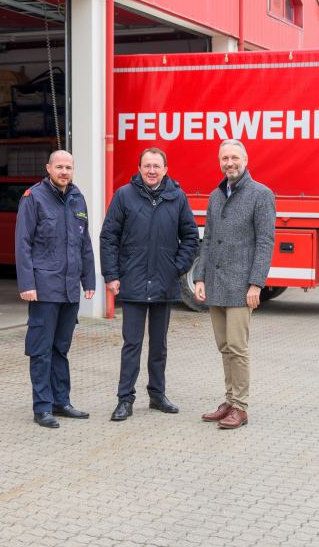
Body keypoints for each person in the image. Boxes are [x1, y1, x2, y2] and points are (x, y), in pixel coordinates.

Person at [100, 147, 199, 421]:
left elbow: (190, 236)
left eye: (157, 166)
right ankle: (125, 399)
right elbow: (109, 237)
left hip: (164, 284)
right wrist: (111, 275)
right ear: (140, 168)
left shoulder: (177, 197)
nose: (152, 170)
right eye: (147, 166)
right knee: (131, 344)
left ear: (166, 170)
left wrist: (177, 268)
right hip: (132, 282)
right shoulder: (123, 196)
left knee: (159, 346)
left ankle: (157, 395)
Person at [193, 139, 275, 430]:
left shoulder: (260, 195)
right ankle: (229, 400)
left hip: (242, 287)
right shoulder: (217, 195)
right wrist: (199, 276)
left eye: (235, 158)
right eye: (225, 158)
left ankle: (240, 407)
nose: (230, 162)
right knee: (225, 346)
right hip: (216, 283)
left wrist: (256, 284)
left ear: (245, 160)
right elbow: (209, 239)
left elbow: (265, 242)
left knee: (238, 347)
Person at [15, 150, 96, 429]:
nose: (64, 171)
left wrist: (89, 281)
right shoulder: (34, 198)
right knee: (41, 350)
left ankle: (62, 402)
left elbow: (84, 243)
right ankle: (42, 407)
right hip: (44, 288)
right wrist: (27, 284)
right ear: (48, 167)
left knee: (61, 349)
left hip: (69, 289)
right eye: (59, 166)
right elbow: (23, 243)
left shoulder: (77, 198)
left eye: (68, 167)